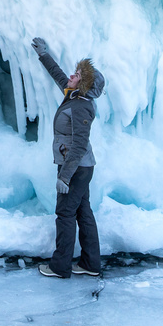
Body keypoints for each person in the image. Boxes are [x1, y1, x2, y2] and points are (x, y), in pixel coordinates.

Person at [31, 37, 104, 278]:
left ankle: (60, 266)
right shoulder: (74, 96)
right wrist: (44, 54)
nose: (71, 76)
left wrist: (64, 176)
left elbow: (80, 145)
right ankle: (90, 264)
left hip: (76, 168)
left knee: (65, 214)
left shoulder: (81, 106)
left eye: (77, 76)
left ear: (83, 86)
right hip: (77, 167)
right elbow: (59, 76)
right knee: (83, 212)